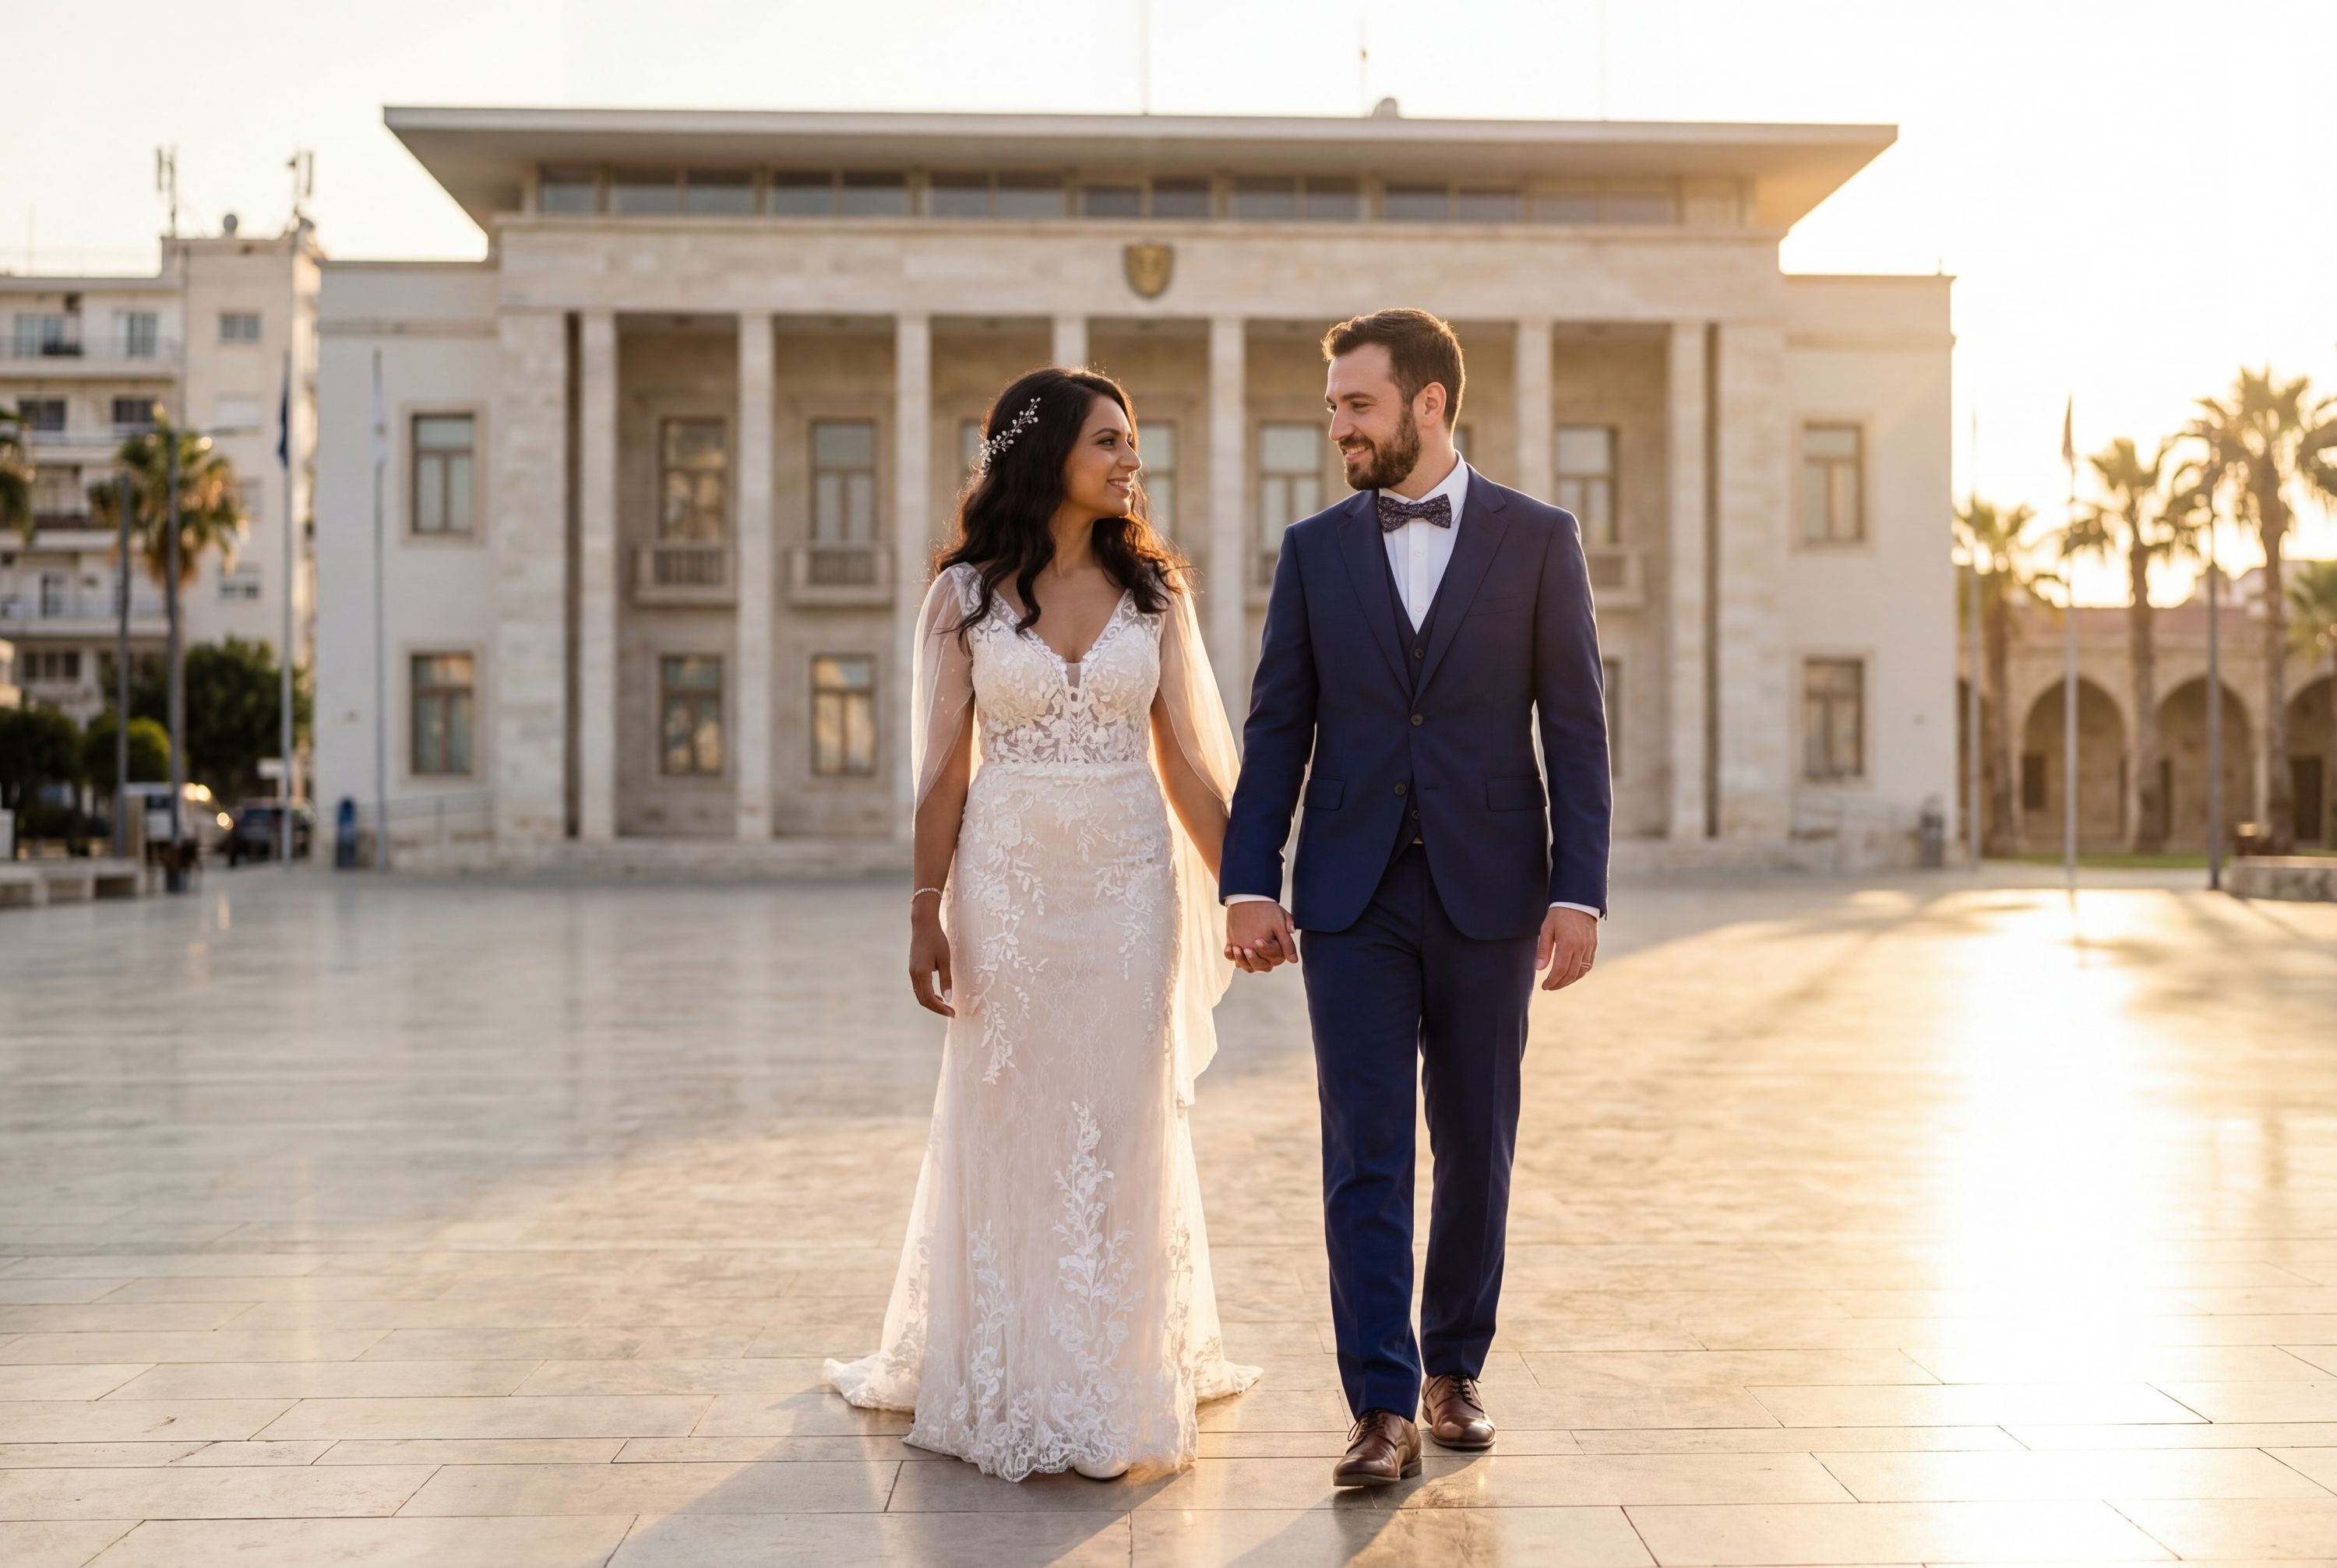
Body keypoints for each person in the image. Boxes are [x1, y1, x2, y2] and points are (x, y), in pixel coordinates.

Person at [824, 368, 1259, 1482]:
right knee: (1011, 1116)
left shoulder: (1154, 593)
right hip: (1007, 889)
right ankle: (1014, 1370)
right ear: (1046, 452)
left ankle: (1113, 1377)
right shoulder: (963, 596)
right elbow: (942, 772)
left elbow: (1188, 764)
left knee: (1122, 1117)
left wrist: (1248, 888)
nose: (1130, 459)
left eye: (1132, 439)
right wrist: (924, 909)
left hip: (1129, 890)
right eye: (1108, 440)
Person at [1220, 308, 1612, 1485]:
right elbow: (1278, 724)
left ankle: (1454, 1370)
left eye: (1358, 404)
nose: (1338, 425)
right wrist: (1250, 880)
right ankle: (1381, 1403)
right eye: (1334, 405)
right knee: (1365, 1148)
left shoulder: (1540, 539)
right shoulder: (1313, 550)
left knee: (1478, 1141)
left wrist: (1580, 892)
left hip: (1494, 890)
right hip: (1351, 897)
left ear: (1428, 403)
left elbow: (1577, 728)